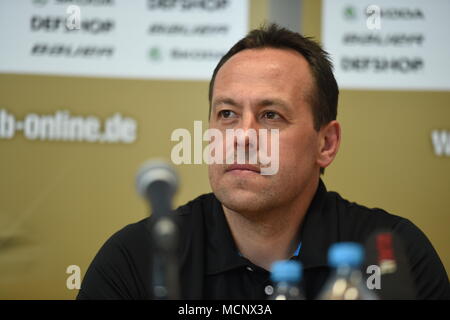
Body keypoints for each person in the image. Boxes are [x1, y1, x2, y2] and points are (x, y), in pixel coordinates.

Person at [77, 24, 450, 300]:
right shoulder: (137, 258)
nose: (241, 136)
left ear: (326, 142)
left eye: (271, 116)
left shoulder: (392, 256)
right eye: (226, 114)